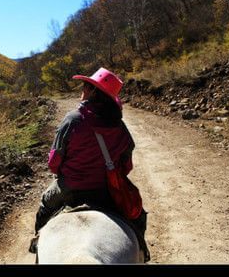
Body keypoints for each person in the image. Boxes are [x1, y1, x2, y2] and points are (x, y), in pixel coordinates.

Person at [31, 67, 150, 261]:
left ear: (94, 92)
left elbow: (53, 163)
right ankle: (142, 253)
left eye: (86, 86)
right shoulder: (119, 126)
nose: (82, 89)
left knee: (45, 204)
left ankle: (37, 248)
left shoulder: (73, 120)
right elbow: (127, 166)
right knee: (138, 215)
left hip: (70, 188)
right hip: (108, 190)